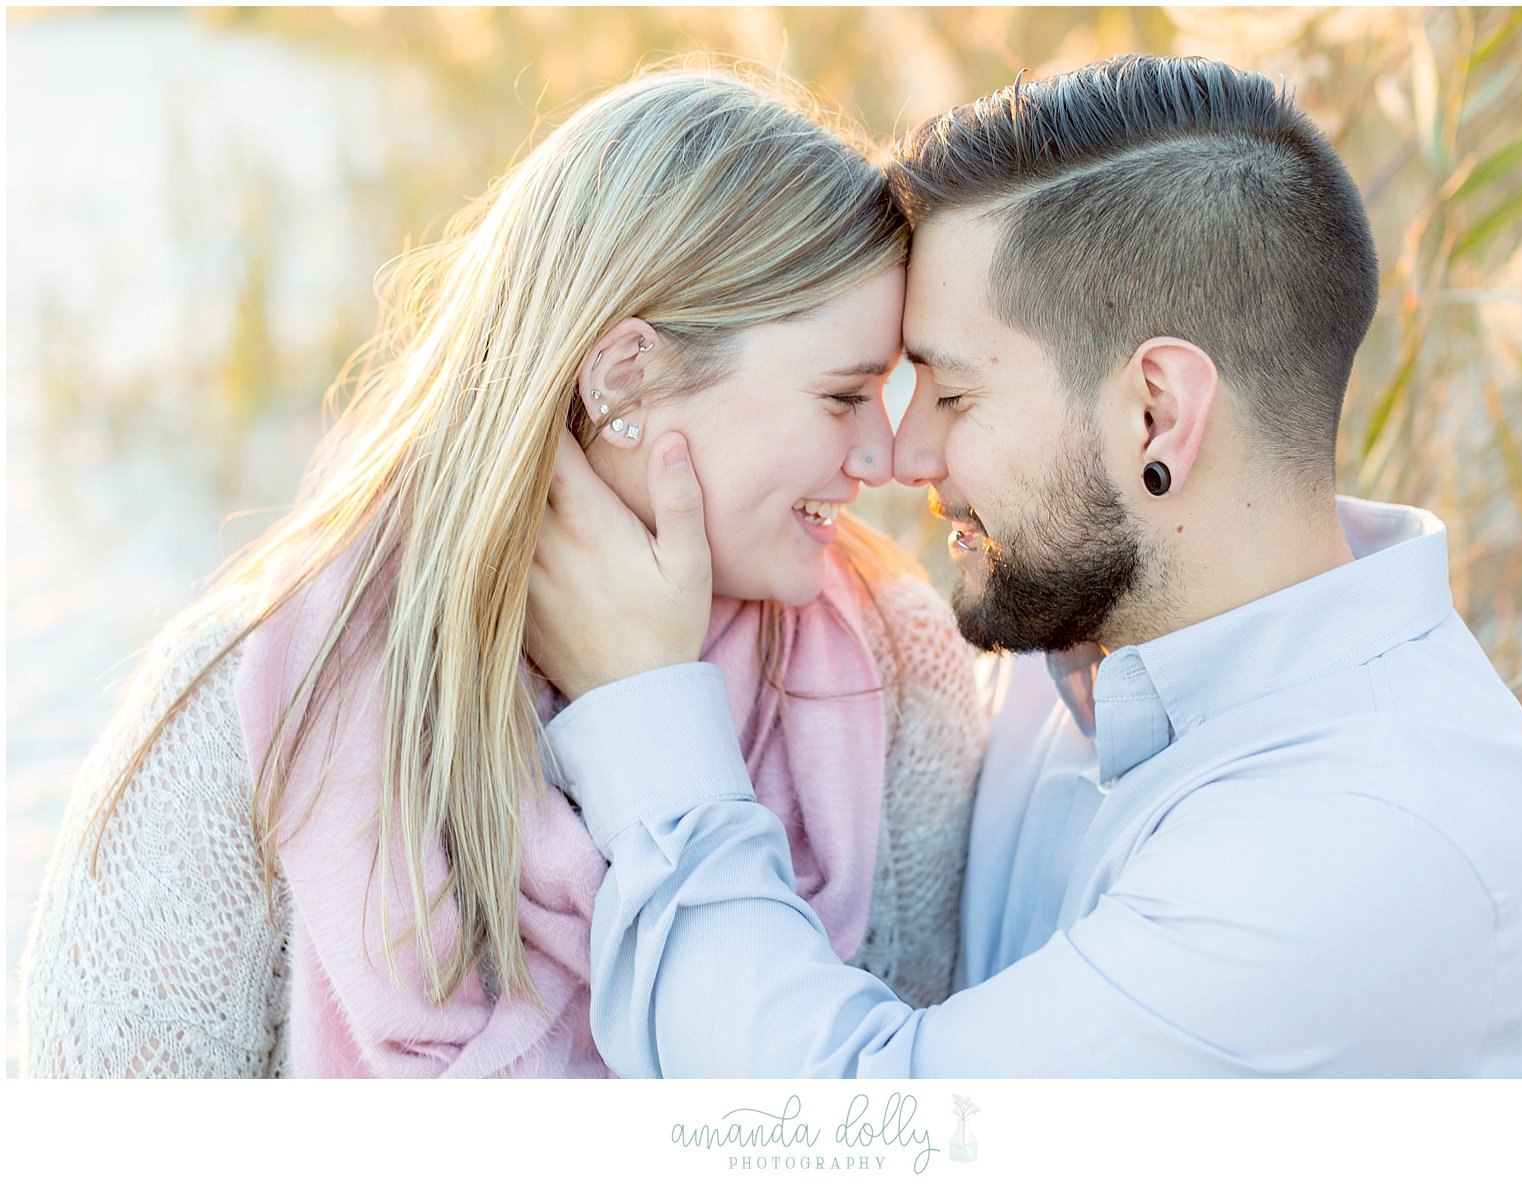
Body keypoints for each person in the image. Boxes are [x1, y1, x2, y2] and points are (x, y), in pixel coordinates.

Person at [525, 55, 1522, 1076]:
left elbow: (864, 1135)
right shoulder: (1090, 656)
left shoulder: (1362, 840)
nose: (904, 456)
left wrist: (643, 711)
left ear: (1156, 415)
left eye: (952, 396)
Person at [19, 68, 987, 1077]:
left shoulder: (902, 668)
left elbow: (901, 1116)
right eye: (842, 396)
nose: (883, 457)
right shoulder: (250, 696)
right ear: (625, 379)